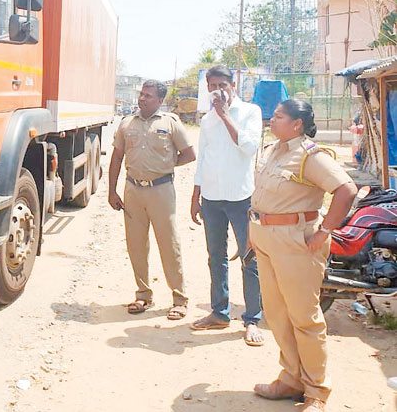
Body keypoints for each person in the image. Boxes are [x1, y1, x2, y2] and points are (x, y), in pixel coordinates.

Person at [249, 99, 357, 412]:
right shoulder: (274, 151)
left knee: (304, 318)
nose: (272, 120)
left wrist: (325, 231)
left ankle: (316, 392)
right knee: (277, 313)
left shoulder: (311, 155)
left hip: (297, 242)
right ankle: (291, 378)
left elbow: (346, 190)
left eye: (279, 116)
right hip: (267, 238)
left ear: (297, 124)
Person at [189, 65, 265, 346]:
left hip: (242, 198)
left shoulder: (250, 112)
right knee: (216, 257)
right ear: (207, 87)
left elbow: (247, 147)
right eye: (212, 86)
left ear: (234, 84)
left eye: (223, 84)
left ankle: (252, 318)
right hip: (211, 197)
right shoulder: (207, 119)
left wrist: (224, 114)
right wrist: (195, 194)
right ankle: (219, 312)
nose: (218, 90)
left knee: (250, 259)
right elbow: (203, 158)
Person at [108, 80, 196, 320]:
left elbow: (189, 154)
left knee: (169, 244)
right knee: (136, 245)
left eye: (148, 96)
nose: (142, 99)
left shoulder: (170, 123)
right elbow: (116, 157)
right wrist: (111, 191)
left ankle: (179, 299)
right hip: (133, 190)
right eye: (141, 95)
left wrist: (167, 165)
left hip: (161, 190)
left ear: (160, 100)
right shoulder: (127, 124)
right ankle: (143, 295)